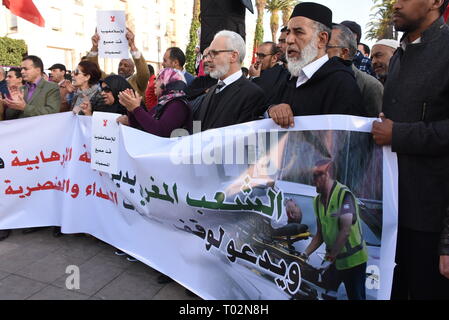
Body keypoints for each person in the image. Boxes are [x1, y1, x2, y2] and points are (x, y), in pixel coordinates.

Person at [371, 0, 449, 300]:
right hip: (392, 216)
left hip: (430, 222)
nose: (395, 3)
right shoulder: (400, 55)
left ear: (435, 2)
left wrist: (399, 133)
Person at [267, 2, 364, 128]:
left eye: (298, 32)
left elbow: (346, 141)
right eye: (288, 33)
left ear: (322, 39)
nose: (289, 40)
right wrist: (273, 109)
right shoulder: (289, 78)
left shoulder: (340, 82)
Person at [303, 159, 368, 300]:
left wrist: (329, 259)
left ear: (327, 175)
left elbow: (345, 231)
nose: (312, 180)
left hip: (354, 262)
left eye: (316, 175)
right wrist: (304, 254)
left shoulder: (344, 195)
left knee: (356, 297)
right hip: (334, 261)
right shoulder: (317, 201)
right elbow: (320, 235)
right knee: (325, 295)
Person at [194, 30, 265, 131]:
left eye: (214, 53)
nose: (207, 60)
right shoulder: (212, 90)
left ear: (233, 56)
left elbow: (244, 141)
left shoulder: (252, 94)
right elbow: (198, 126)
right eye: (208, 54)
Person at [327, 24, 383, 117]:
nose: (320, 51)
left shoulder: (370, 86)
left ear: (344, 52)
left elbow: (376, 126)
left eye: (327, 47)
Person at [117, 68, 192, 137]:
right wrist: (131, 109)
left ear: (167, 81)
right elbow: (140, 126)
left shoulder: (178, 104)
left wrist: (136, 108)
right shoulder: (164, 102)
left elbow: (161, 131)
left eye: (158, 78)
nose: (154, 82)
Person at [88, 28, 150, 104]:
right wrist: (95, 47)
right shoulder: (111, 79)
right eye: (120, 64)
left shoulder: (137, 81)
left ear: (133, 70)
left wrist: (132, 46)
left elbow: (144, 73)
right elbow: (94, 71)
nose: (121, 67)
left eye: (126, 65)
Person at [250, 42, 289, 111]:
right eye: (257, 55)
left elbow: (256, 102)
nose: (258, 60)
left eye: (262, 56)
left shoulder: (281, 75)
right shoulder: (258, 71)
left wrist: (255, 78)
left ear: (274, 58)